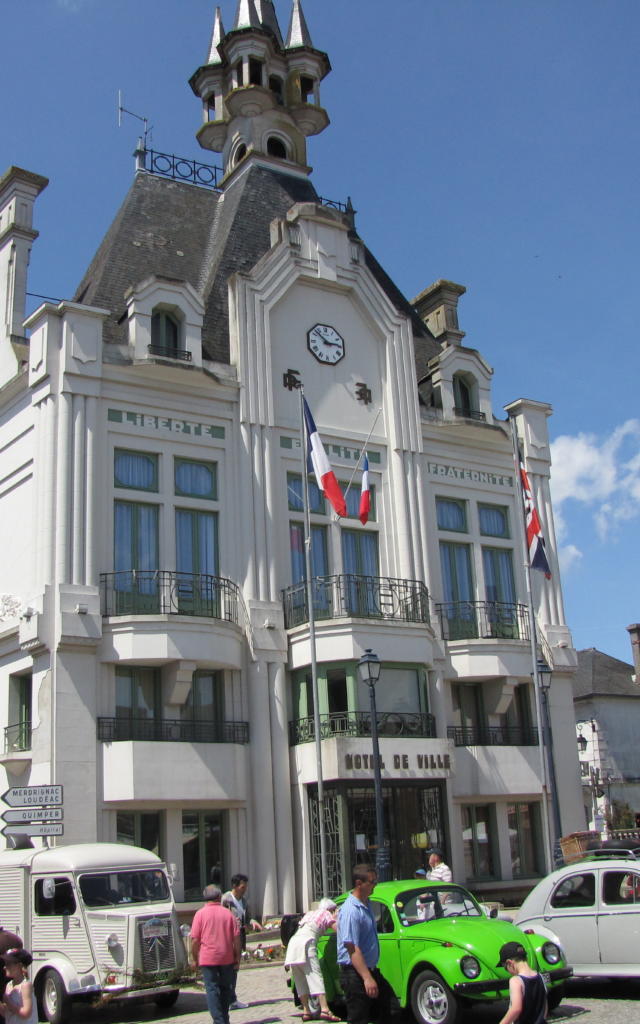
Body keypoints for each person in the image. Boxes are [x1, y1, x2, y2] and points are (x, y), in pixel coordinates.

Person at [337, 864, 393, 1024]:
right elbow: (351, 948)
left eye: (376, 881)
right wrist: (367, 978)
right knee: (359, 1017)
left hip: (370, 970)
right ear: (359, 884)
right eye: (372, 881)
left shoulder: (366, 903)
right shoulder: (350, 910)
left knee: (390, 1009)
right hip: (355, 974)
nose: (375, 884)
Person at [191, 885, 241, 1024]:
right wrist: (237, 957)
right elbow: (237, 938)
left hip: (208, 959)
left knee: (212, 990)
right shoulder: (228, 914)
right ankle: (224, 1019)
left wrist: (195, 959)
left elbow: (195, 940)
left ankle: (219, 1021)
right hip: (226, 957)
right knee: (225, 989)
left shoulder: (200, 914)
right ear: (219, 897)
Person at [284, 898, 340, 1022]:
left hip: (294, 943)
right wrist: (335, 918)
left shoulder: (310, 913)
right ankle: (325, 1009)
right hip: (307, 942)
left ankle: (306, 1011)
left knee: (299, 977)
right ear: (331, 909)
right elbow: (339, 931)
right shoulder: (326, 914)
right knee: (315, 975)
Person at [222, 873, 262, 1010]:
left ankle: (232, 999)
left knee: (235, 969)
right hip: (228, 939)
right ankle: (227, 999)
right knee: (228, 970)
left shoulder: (244, 901)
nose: (245, 889)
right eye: (242, 886)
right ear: (235, 886)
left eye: (245, 886)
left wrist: (253, 921)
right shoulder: (226, 900)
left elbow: (248, 917)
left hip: (240, 937)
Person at [496, 941, 547, 1024]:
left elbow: (516, 1009)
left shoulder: (516, 981)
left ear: (509, 963)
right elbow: (545, 1007)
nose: (507, 971)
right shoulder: (541, 977)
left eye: (505, 968)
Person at [0, 948, 36, 1024]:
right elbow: (6, 1013)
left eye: (8, 964)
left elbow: (26, 1014)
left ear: (19, 966)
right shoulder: (9, 985)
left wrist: (8, 1003)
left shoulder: (25, 985)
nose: (4, 967)